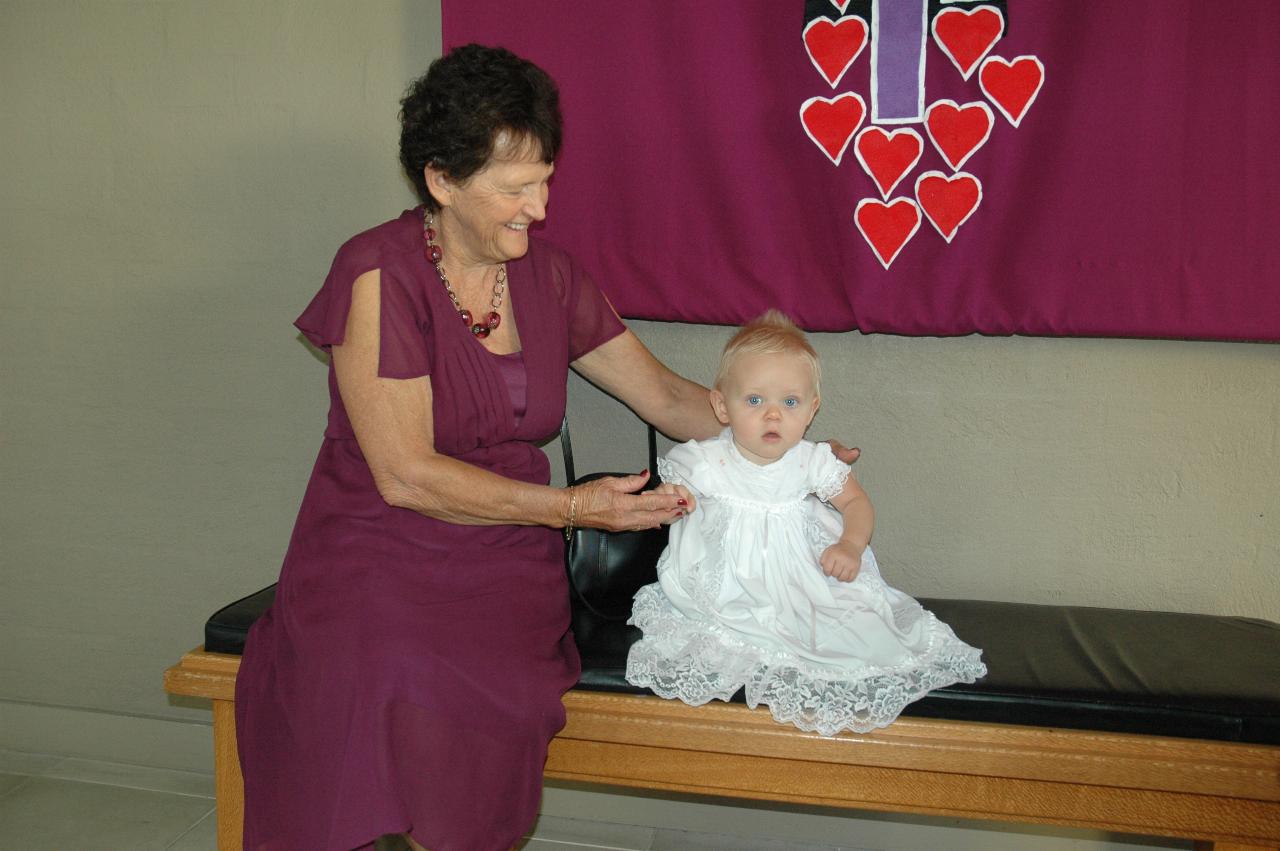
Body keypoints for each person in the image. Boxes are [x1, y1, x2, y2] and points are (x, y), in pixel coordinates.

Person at [233, 44, 729, 851]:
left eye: (545, 180)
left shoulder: (553, 278)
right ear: (441, 181)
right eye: (515, 188)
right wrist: (575, 507)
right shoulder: (377, 273)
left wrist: (775, 429)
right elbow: (404, 476)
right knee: (386, 669)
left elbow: (670, 398)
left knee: (471, 695)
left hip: (503, 557)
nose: (538, 206)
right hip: (374, 549)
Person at [625, 310, 986, 737]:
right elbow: (676, 498)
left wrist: (850, 546)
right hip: (729, 584)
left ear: (812, 408)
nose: (773, 416)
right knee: (718, 637)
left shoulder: (811, 461)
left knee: (853, 631)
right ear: (722, 406)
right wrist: (672, 500)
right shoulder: (703, 461)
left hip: (800, 581)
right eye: (755, 401)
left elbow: (856, 503)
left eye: (790, 402)